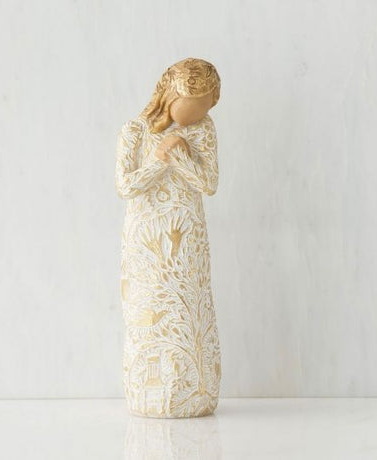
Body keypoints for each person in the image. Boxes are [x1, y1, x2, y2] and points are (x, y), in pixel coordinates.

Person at [115, 57, 222, 418]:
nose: (196, 117)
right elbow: (126, 185)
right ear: (169, 96)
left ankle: (196, 390)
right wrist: (160, 159)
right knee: (148, 310)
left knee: (189, 307)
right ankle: (149, 392)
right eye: (190, 108)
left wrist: (180, 156)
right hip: (146, 240)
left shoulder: (203, 129)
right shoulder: (135, 130)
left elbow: (208, 183)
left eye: (204, 108)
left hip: (187, 237)